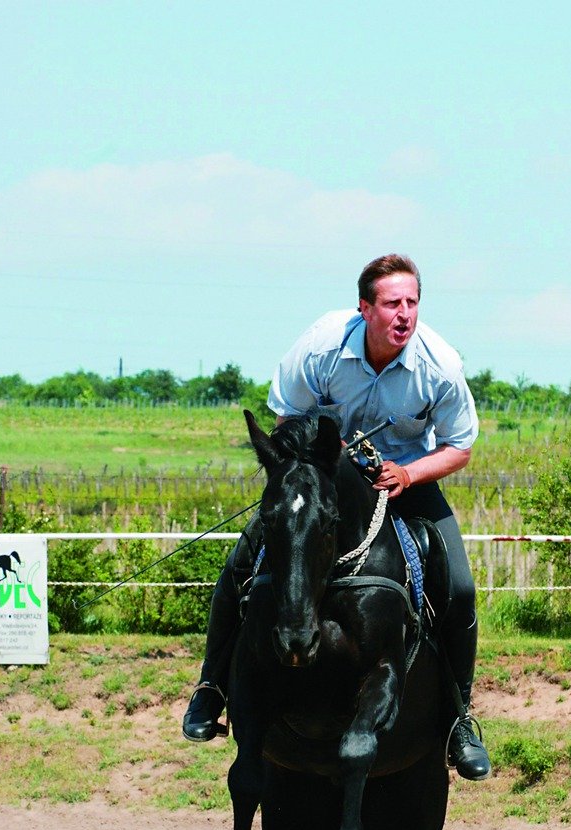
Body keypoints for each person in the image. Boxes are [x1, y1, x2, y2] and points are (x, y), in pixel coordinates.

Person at [182, 253, 490, 780]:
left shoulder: (440, 365)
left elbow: (460, 446)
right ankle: (210, 688)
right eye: (393, 303)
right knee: (241, 562)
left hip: (403, 482)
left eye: (413, 303)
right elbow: (286, 418)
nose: (405, 316)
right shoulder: (323, 344)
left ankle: (461, 718)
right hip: (323, 482)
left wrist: (410, 475)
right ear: (364, 308)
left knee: (459, 585)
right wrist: (330, 460)